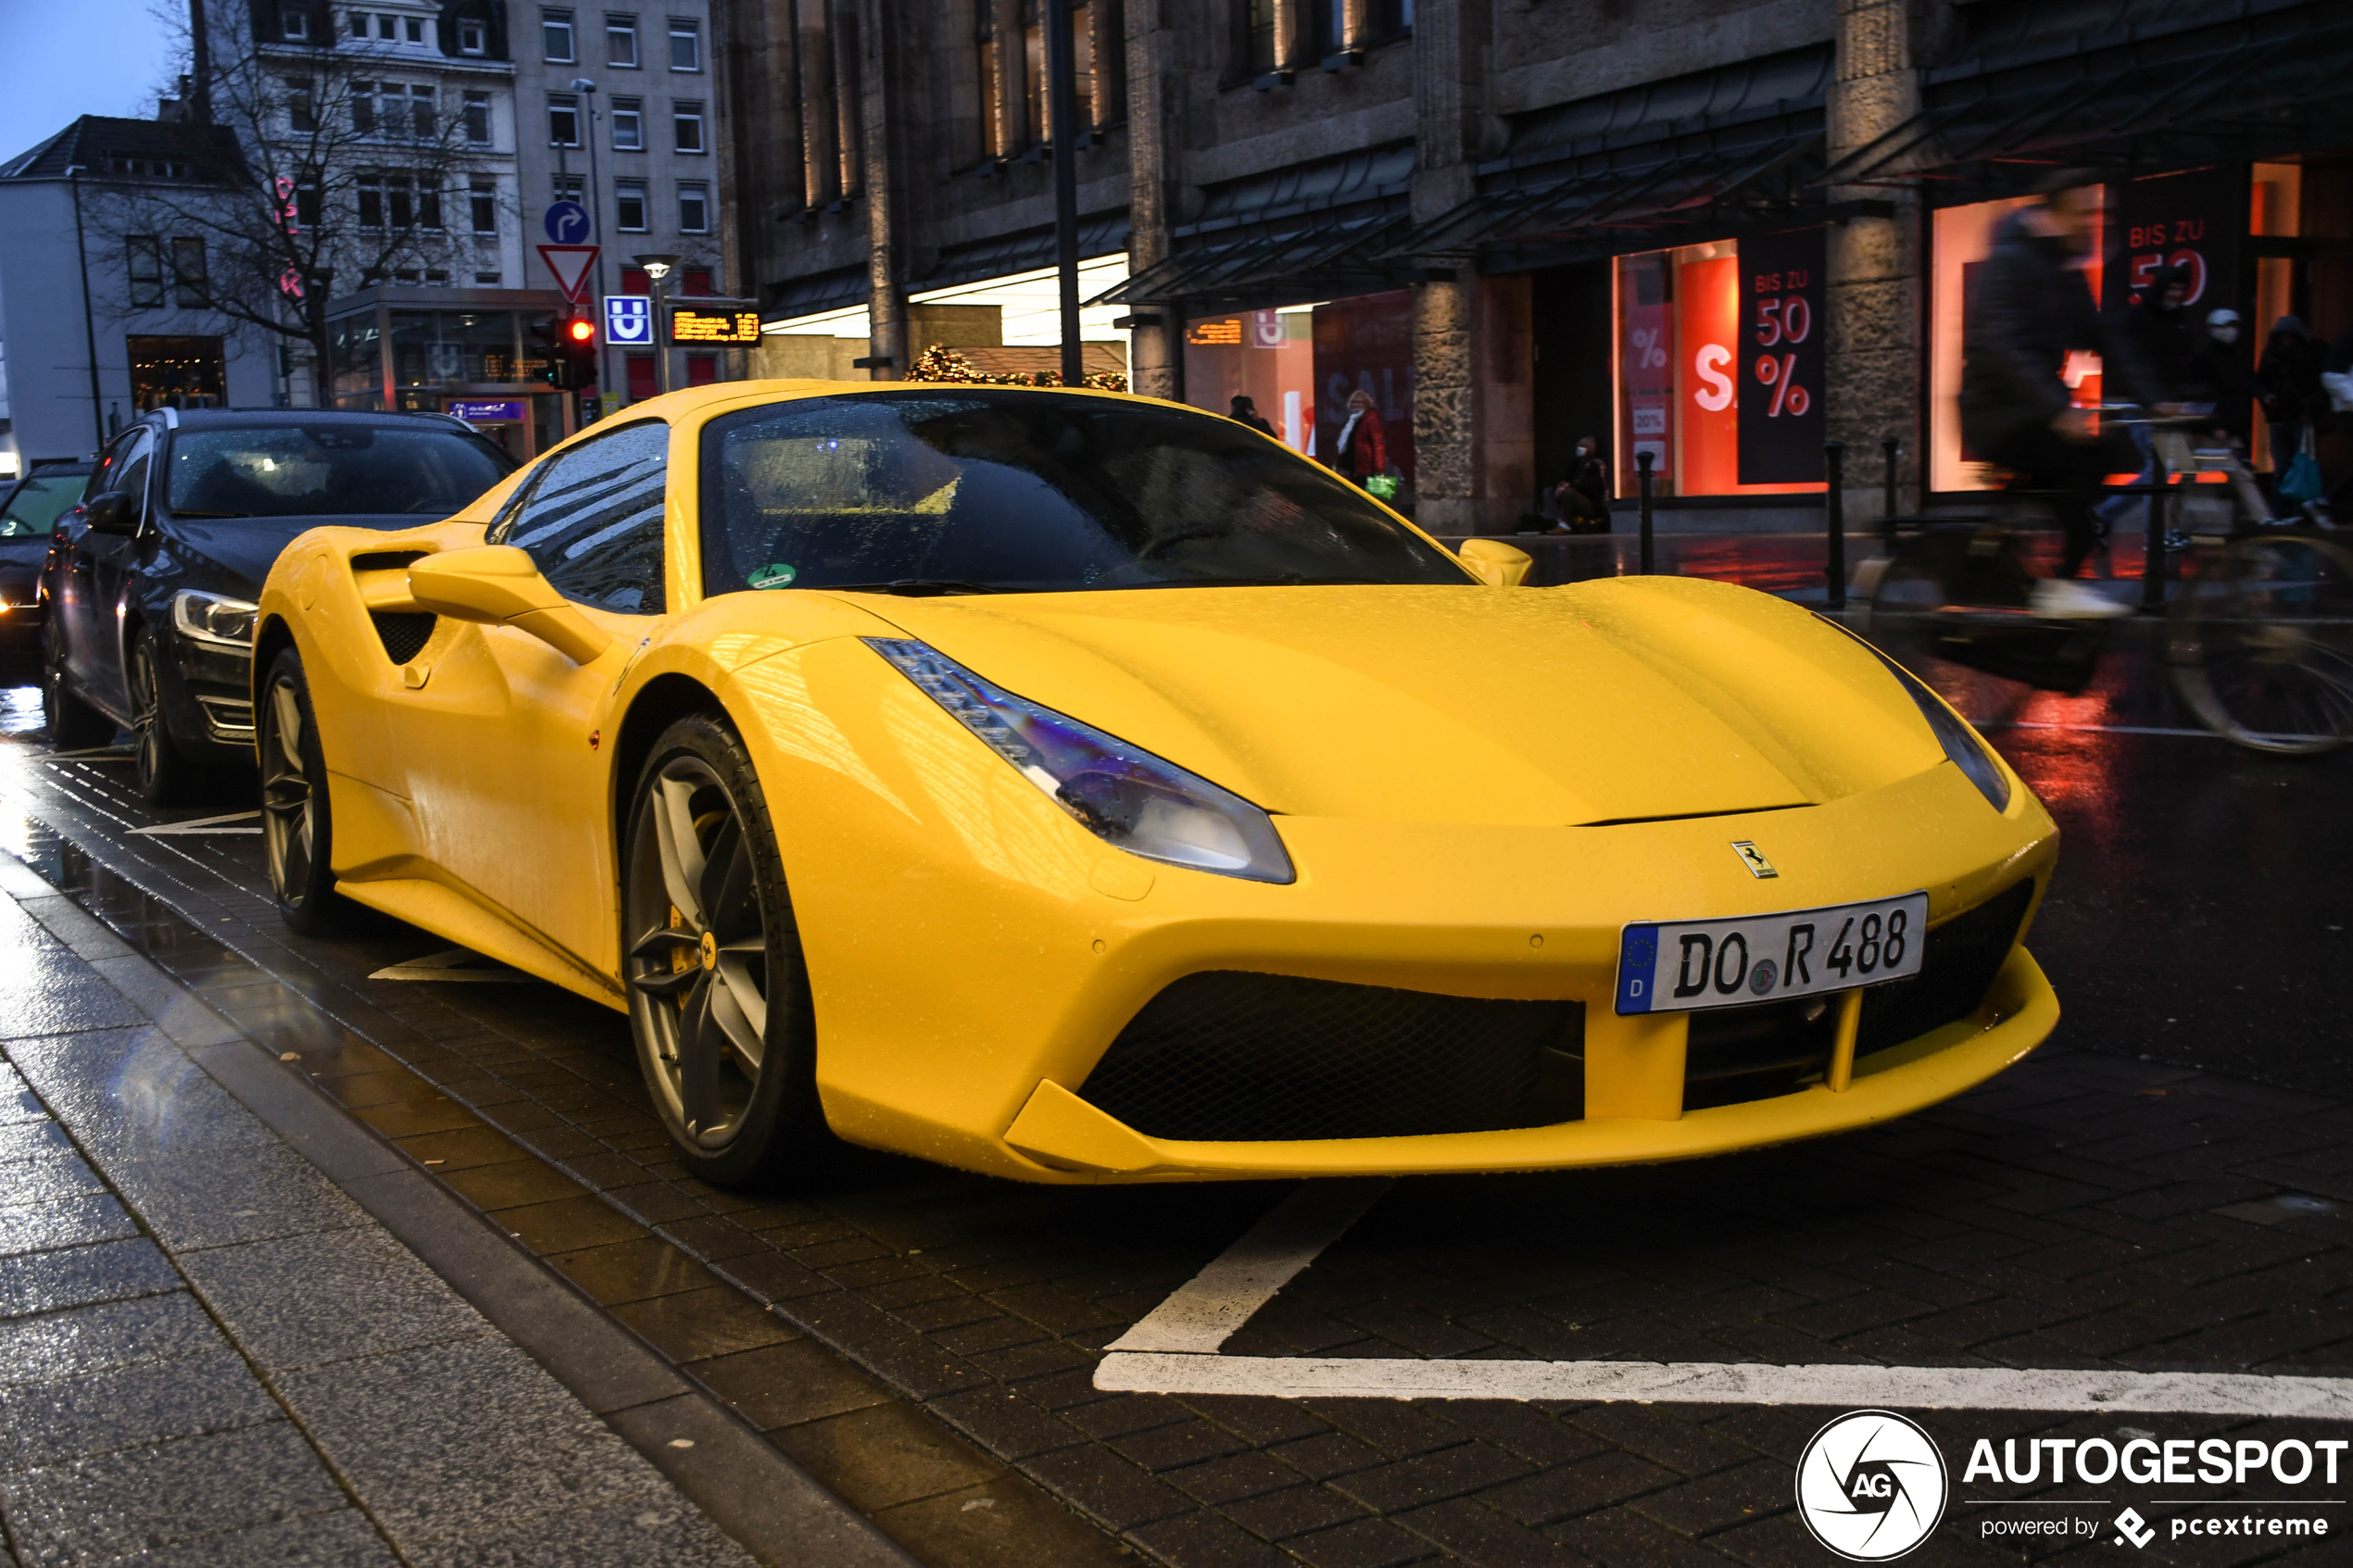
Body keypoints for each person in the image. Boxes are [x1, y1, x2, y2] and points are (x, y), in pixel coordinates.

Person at [1958, 169, 2158, 618]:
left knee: (2096, 458)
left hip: (2034, 409)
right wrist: (2058, 411)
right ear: (2053, 213)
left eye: (2100, 215)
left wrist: (2156, 400)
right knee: (2088, 459)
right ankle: (2059, 586)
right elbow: (2001, 345)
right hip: (1996, 412)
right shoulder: (2011, 262)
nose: (2093, 224)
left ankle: (2016, 543)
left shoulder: (2064, 271)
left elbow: (2107, 340)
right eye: (2083, 213)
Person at [2257, 315, 2327, 503]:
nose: (2286, 341)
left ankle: (2296, 511)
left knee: (2299, 467)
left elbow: (2322, 385)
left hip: (2300, 418)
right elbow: (2259, 382)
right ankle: (2282, 511)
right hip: (2280, 418)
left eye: (2289, 337)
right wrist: (2266, 397)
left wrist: (2311, 407)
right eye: (2283, 337)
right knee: (2283, 468)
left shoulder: (2311, 353)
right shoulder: (2273, 354)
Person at [1549, 436, 1611, 533]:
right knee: (1556, 491)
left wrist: (1570, 486)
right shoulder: (1576, 465)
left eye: (1582, 447)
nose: (1579, 449)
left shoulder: (1596, 465)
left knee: (1569, 493)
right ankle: (1556, 522)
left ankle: (1565, 525)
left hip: (1594, 504)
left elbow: (1590, 487)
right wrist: (1562, 486)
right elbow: (1568, 479)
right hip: (1581, 498)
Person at [1333, 389, 1388, 487]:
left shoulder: (1371, 419)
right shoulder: (1352, 420)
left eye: (1359, 402)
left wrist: (1379, 467)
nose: (1356, 405)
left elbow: (1377, 443)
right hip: (1352, 467)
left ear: (1366, 404)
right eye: (1353, 402)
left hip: (1366, 468)